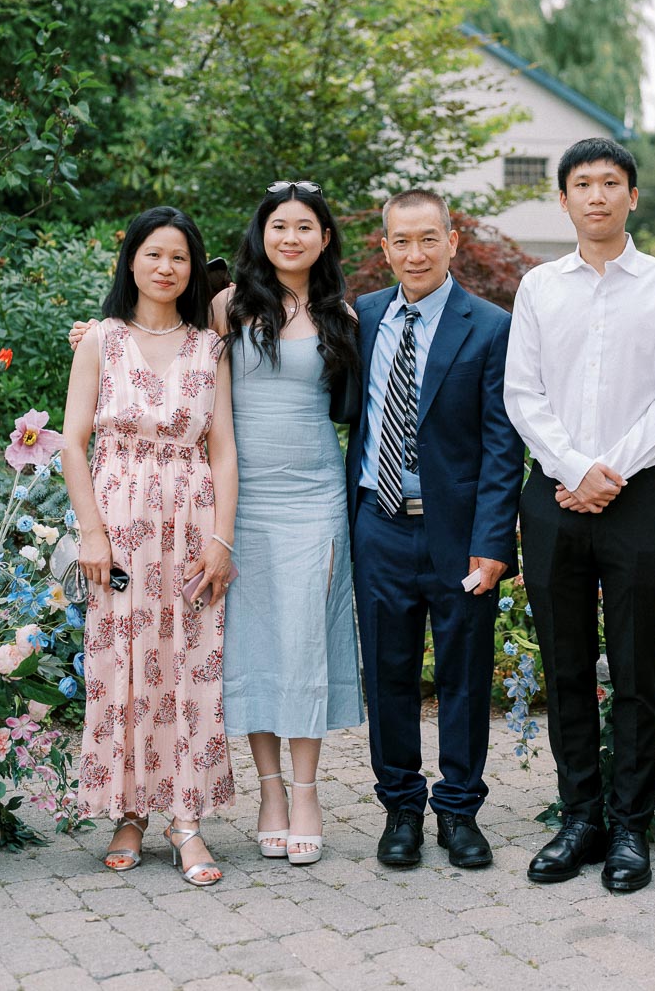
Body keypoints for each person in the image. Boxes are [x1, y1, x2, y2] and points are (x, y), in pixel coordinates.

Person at [503, 137, 655, 894]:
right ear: (563, 199)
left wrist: (605, 473)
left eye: (610, 183)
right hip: (554, 498)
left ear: (632, 196)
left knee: (636, 665)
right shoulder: (538, 288)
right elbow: (523, 394)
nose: (596, 195)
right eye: (582, 184)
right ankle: (580, 817)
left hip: (636, 497)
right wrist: (573, 469)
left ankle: (629, 828)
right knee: (566, 665)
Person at [346, 189, 524, 870]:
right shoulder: (361, 318)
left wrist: (493, 542)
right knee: (388, 673)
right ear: (385, 247)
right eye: (401, 240)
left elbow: (503, 444)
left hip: (459, 535)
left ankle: (458, 811)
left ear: (451, 242)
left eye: (428, 239)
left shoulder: (490, 326)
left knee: (464, 675)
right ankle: (401, 809)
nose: (414, 253)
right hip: (380, 526)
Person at [62, 206, 238, 887]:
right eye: (154, 254)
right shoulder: (100, 340)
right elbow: (73, 443)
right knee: (122, 666)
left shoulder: (209, 349)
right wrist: (92, 532)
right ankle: (129, 813)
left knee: (190, 667)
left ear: (194, 269)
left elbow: (224, 452)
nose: (166, 268)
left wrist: (221, 539)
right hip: (118, 526)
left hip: (191, 527)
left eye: (180, 257)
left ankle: (186, 819)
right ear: (131, 259)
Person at [211, 181, 364, 866]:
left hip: (314, 495)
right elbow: (159, 344)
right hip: (240, 497)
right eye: (279, 226)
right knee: (253, 642)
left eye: (305, 227)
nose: (291, 237)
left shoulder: (343, 316)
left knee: (304, 641)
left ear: (324, 239)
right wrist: (95, 334)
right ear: (262, 234)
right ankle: (268, 793)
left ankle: (306, 794)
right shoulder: (226, 306)